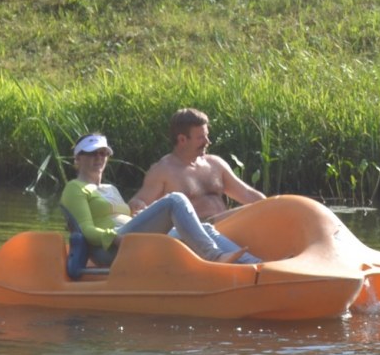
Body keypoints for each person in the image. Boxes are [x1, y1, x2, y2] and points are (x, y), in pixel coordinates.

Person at [60, 133, 260, 276]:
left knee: (205, 227)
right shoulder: (74, 188)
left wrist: (137, 213)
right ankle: (214, 257)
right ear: (78, 158)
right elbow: (85, 229)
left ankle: (257, 265)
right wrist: (114, 237)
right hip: (109, 249)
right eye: (92, 153)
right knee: (175, 200)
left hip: (128, 238)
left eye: (103, 153)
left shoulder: (110, 188)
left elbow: (119, 218)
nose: (98, 158)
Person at [130, 107, 265, 221]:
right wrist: (137, 205)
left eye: (207, 135)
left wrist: (271, 204)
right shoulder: (164, 170)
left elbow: (246, 193)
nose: (207, 141)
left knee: (261, 209)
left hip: (226, 227)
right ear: (182, 139)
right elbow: (139, 202)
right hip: (196, 232)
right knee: (250, 212)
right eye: (201, 137)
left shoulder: (215, 164)